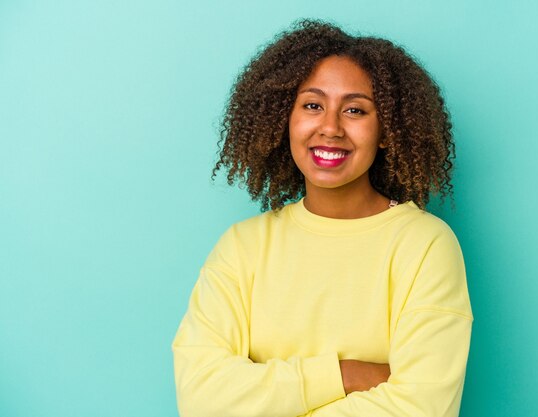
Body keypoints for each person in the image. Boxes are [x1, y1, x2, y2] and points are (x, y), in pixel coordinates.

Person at [172, 19, 473, 417]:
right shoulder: (242, 247)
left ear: (386, 131)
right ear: (286, 118)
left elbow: (421, 406)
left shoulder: (425, 245)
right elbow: (200, 399)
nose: (330, 128)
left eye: (355, 110)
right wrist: (342, 376)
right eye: (313, 105)